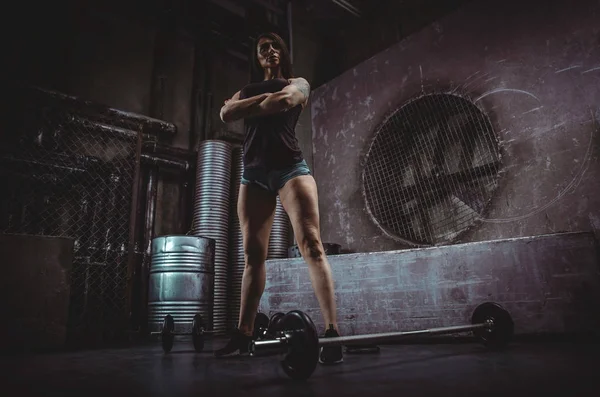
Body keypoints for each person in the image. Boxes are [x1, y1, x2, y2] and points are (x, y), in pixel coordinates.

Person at [214, 32, 343, 365]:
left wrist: (240, 107)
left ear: (282, 54)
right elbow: (225, 116)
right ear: (258, 59)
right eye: (262, 49)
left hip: (291, 170)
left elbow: (284, 101)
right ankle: (243, 334)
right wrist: (252, 105)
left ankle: (332, 332)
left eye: (273, 47)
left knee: (311, 245)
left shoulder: (298, 82)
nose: (269, 51)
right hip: (253, 174)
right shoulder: (249, 88)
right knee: (253, 255)